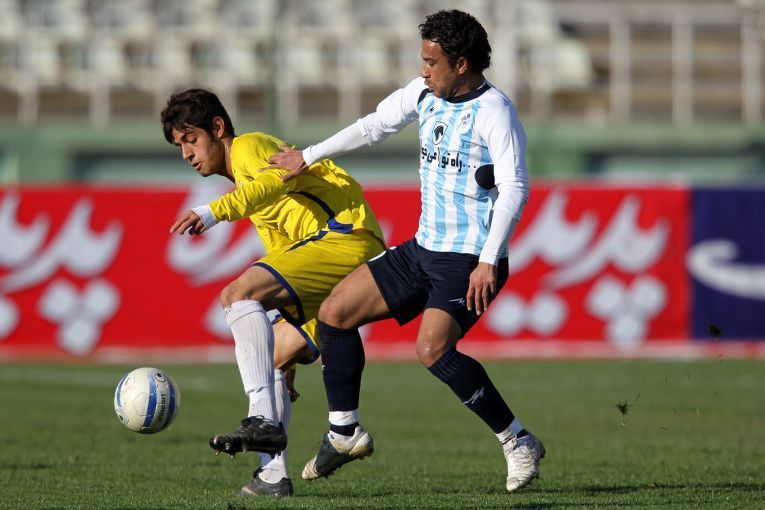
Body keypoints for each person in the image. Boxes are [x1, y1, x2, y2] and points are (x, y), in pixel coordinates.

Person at [266, 9, 544, 493]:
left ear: (461, 64)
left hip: (469, 258)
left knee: (432, 349)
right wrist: (307, 156)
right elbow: (373, 125)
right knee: (334, 313)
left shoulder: (495, 112)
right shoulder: (424, 94)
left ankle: (518, 440)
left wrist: (488, 260)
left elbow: (515, 188)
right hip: (422, 248)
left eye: (431, 62)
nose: (423, 70)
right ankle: (344, 432)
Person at [161, 88, 386, 497]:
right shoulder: (246, 184)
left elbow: (275, 180)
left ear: (218, 127)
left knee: (236, 294)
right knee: (273, 360)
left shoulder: (248, 147)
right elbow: (284, 257)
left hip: (343, 237)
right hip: (332, 257)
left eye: (191, 139)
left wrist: (213, 211)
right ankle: (272, 475)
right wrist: (289, 343)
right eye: (180, 146)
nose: (187, 154)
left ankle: (262, 419)